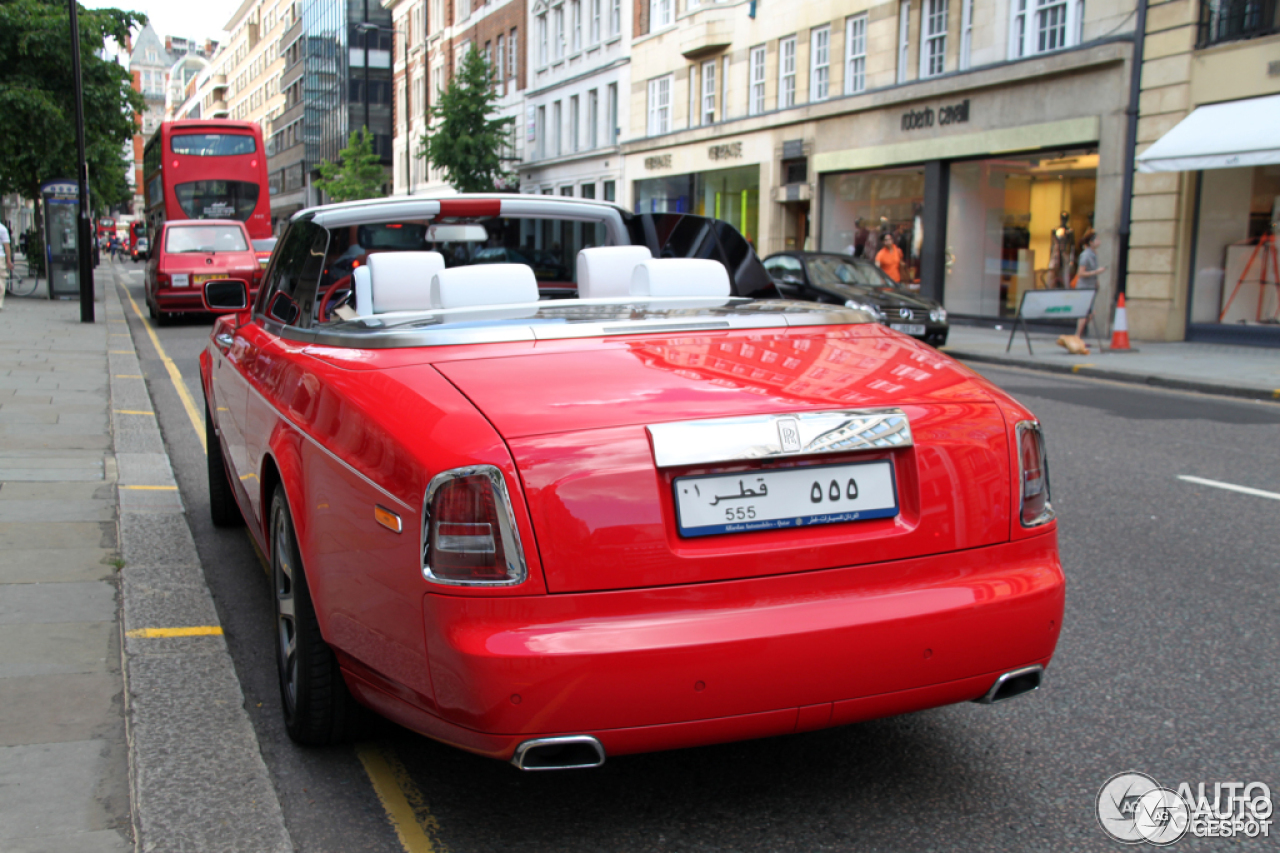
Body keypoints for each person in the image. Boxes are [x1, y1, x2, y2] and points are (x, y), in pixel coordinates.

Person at [1073, 230, 1107, 336]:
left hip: (1090, 287)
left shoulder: (1093, 254)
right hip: (1084, 287)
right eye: (1097, 239)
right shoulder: (1086, 255)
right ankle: (1077, 336)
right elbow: (1081, 273)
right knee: (1086, 313)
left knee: (1089, 314)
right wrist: (1097, 272)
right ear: (1091, 242)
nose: (1099, 241)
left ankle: (1078, 336)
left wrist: (1096, 280)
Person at [0, 221, 11, 309]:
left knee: (0, 280)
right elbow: (7, 246)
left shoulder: (2, 229)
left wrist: (8, 261)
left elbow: (7, 246)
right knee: (0, 280)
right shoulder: (3, 228)